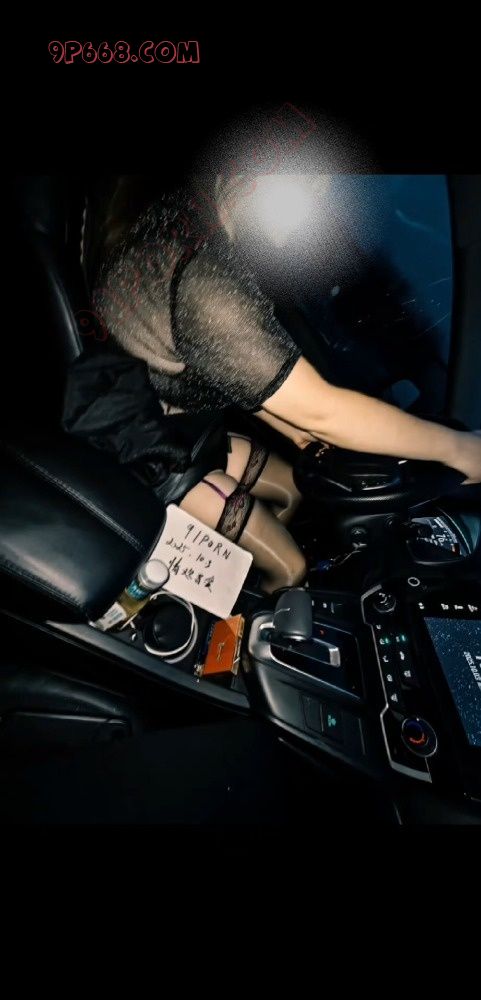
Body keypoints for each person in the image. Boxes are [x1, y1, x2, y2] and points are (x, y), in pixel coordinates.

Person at [92, 174, 481, 592]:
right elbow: (323, 410)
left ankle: (232, 583)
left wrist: (301, 435)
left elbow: (243, 375)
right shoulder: (205, 283)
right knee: (291, 569)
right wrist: (459, 449)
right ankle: (237, 607)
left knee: (295, 489)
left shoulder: (196, 221)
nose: (314, 205)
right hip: (141, 446)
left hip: (173, 417)